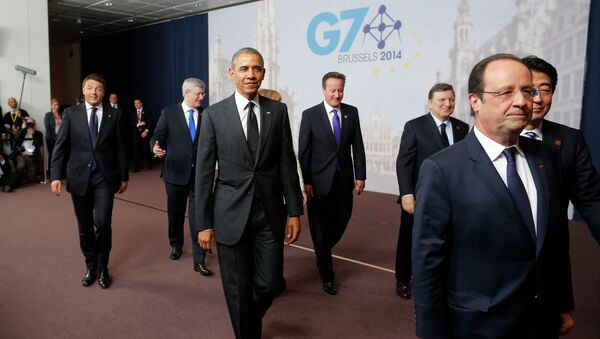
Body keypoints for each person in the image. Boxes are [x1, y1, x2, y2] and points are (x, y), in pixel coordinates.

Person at [412, 54, 574, 338]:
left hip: (541, 322)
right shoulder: (442, 169)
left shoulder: (547, 157)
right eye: (506, 92)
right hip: (479, 327)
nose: (523, 101)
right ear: (475, 100)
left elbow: (555, 240)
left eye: (528, 91)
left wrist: (562, 303)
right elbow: (428, 265)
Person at [195, 47, 302, 339]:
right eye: (243, 69)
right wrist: (203, 224)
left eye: (256, 69)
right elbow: (203, 174)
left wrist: (294, 211)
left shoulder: (277, 111)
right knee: (236, 287)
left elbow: (286, 165)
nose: (250, 75)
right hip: (229, 214)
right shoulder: (214, 115)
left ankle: (247, 317)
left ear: (264, 73)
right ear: (232, 74)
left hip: (269, 213)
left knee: (270, 283)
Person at [50, 73, 129, 289]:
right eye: (90, 88)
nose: (94, 92)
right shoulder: (70, 114)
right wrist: (55, 175)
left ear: (104, 92)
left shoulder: (116, 115)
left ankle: (103, 267)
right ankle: (91, 266)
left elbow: (122, 148)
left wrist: (124, 176)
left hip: (105, 177)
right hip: (78, 177)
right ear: (83, 90)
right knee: (85, 227)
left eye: (99, 88)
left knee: (103, 222)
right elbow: (61, 146)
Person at [394, 83, 469, 299]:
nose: (448, 104)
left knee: (448, 239)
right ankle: (402, 279)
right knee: (409, 238)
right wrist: (407, 194)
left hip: (453, 198)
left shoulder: (462, 128)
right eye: (442, 100)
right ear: (430, 103)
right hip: (419, 197)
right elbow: (404, 163)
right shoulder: (414, 126)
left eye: (451, 99)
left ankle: (443, 280)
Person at [298, 71, 366, 295]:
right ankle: (327, 274)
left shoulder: (351, 112)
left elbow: (357, 145)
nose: (337, 95)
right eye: (333, 90)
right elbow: (304, 152)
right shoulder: (310, 115)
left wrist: (360, 175)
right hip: (317, 182)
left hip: (344, 179)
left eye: (341, 90)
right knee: (318, 228)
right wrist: (306, 181)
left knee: (342, 219)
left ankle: (322, 250)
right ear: (323, 90)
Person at [520, 55, 600, 244]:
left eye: (545, 90)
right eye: (529, 90)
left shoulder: (571, 140)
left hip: (551, 259)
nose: (538, 99)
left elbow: (592, 200)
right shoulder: (493, 139)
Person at [151, 78, 211, 276]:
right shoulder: (168, 113)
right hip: (175, 174)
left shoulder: (207, 114)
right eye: (199, 94)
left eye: (203, 94)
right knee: (175, 215)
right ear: (186, 93)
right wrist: (155, 147)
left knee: (197, 217)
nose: (202, 97)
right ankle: (176, 244)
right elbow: (157, 136)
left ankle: (199, 259)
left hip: (199, 177)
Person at [14, 116, 44, 183]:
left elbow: (39, 145)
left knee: (31, 179)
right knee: (21, 166)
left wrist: (34, 134)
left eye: (32, 123)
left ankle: (26, 178)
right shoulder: (22, 132)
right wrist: (22, 129)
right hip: (21, 155)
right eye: (29, 123)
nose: (30, 125)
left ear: (34, 124)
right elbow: (16, 141)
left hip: (32, 156)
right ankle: (19, 179)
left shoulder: (38, 134)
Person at [130, 98, 153, 172]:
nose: (136, 105)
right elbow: (130, 123)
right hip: (135, 134)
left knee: (146, 150)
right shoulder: (132, 112)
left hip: (145, 134)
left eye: (138, 103)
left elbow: (150, 123)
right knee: (136, 150)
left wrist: (146, 131)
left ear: (141, 103)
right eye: (135, 103)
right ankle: (136, 167)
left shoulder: (147, 111)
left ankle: (150, 163)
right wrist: (137, 124)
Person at [44, 98, 62, 178]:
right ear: (51, 106)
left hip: (60, 138)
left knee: (60, 155)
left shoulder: (62, 114)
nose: (56, 106)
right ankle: (52, 175)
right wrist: (55, 137)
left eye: (57, 105)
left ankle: (60, 174)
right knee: (52, 155)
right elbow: (48, 127)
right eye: (54, 105)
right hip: (51, 138)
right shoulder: (48, 115)